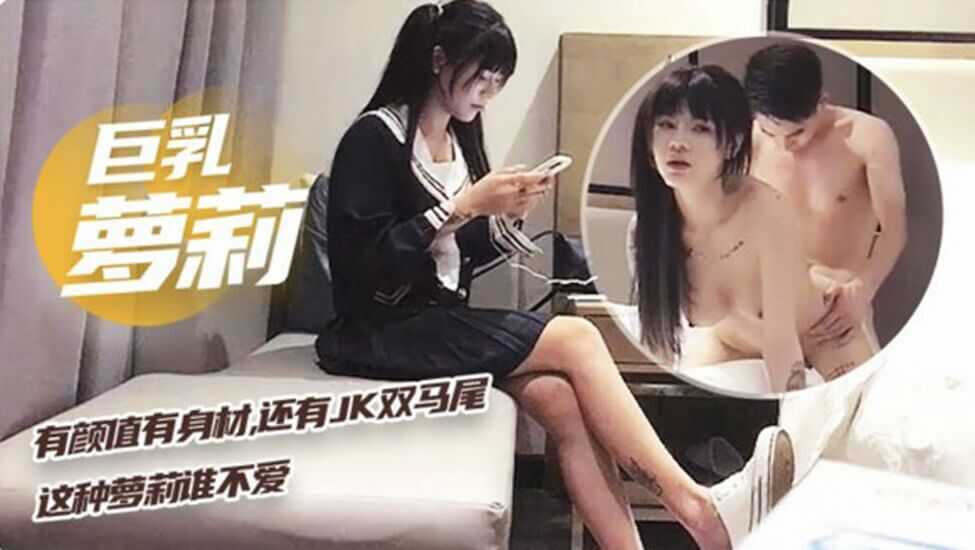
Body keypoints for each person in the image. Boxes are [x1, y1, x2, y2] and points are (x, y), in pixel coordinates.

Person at [315, 3, 793, 548]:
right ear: (439, 59)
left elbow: (450, 259)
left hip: (433, 322)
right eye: (481, 75)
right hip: (375, 332)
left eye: (498, 80)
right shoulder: (374, 138)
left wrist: (504, 215)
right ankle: (698, 507)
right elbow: (364, 265)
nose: (488, 92)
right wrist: (464, 207)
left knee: (560, 402)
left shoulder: (460, 141)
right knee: (577, 336)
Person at [629, 64, 876, 393]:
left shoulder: (764, 210)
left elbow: (781, 341)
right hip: (732, 343)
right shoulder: (648, 231)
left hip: (823, 335)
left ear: (732, 144)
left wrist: (783, 413)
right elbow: (658, 338)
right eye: (666, 125)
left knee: (858, 413)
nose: (678, 143)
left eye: (700, 128)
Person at [744, 43, 908, 366]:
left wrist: (862, 291)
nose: (784, 145)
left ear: (821, 101)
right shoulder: (749, 141)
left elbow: (894, 229)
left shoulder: (866, 137)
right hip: (767, 301)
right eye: (770, 132)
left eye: (796, 133)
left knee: (859, 392)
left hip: (837, 303)